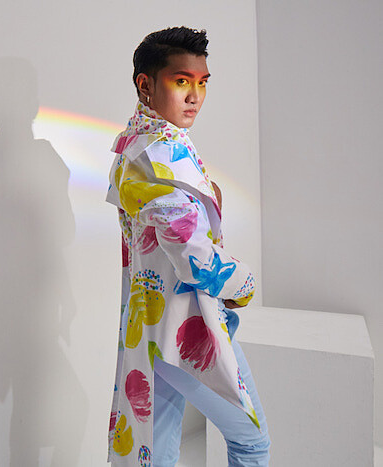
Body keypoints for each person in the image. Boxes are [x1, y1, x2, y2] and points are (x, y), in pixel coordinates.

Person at [106, 27, 270, 466]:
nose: (195, 96)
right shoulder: (155, 157)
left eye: (202, 83)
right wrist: (245, 284)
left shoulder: (138, 143)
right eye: (181, 81)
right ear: (145, 84)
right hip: (184, 327)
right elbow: (196, 259)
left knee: (153, 455)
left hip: (151, 324)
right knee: (251, 444)